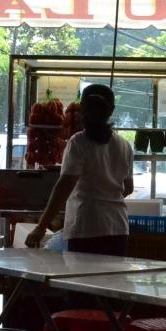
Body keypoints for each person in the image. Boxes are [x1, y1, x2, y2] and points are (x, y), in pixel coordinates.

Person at [27, 84, 134, 256]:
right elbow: (128, 188)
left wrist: (41, 227)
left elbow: (64, 187)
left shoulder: (78, 142)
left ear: (82, 108)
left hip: (86, 227)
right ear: (111, 110)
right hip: (118, 227)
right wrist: (107, 195)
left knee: (83, 273)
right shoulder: (124, 145)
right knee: (112, 274)